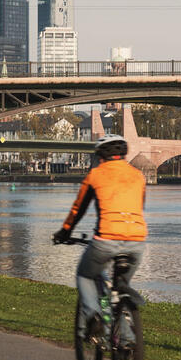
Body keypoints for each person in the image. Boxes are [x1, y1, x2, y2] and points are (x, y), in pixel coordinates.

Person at [53, 133, 147, 343]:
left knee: (85, 275)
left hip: (106, 240)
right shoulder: (138, 175)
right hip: (137, 242)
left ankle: (93, 315)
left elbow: (78, 209)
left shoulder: (95, 175)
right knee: (118, 289)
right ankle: (126, 341)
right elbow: (140, 206)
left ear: (100, 156)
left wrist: (64, 232)